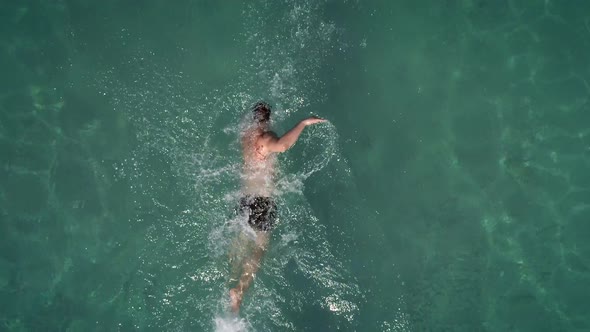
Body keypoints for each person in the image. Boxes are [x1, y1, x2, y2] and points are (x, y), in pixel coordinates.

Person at [229, 101, 326, 312]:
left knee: (241, 240)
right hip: (262, 201)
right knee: (260, 248)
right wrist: (303, 123)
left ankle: (230, 275)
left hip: (244, 198)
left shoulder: (246, 136)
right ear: (267, 119)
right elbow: (282, 146)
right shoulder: (265, 137)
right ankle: (239, 290)